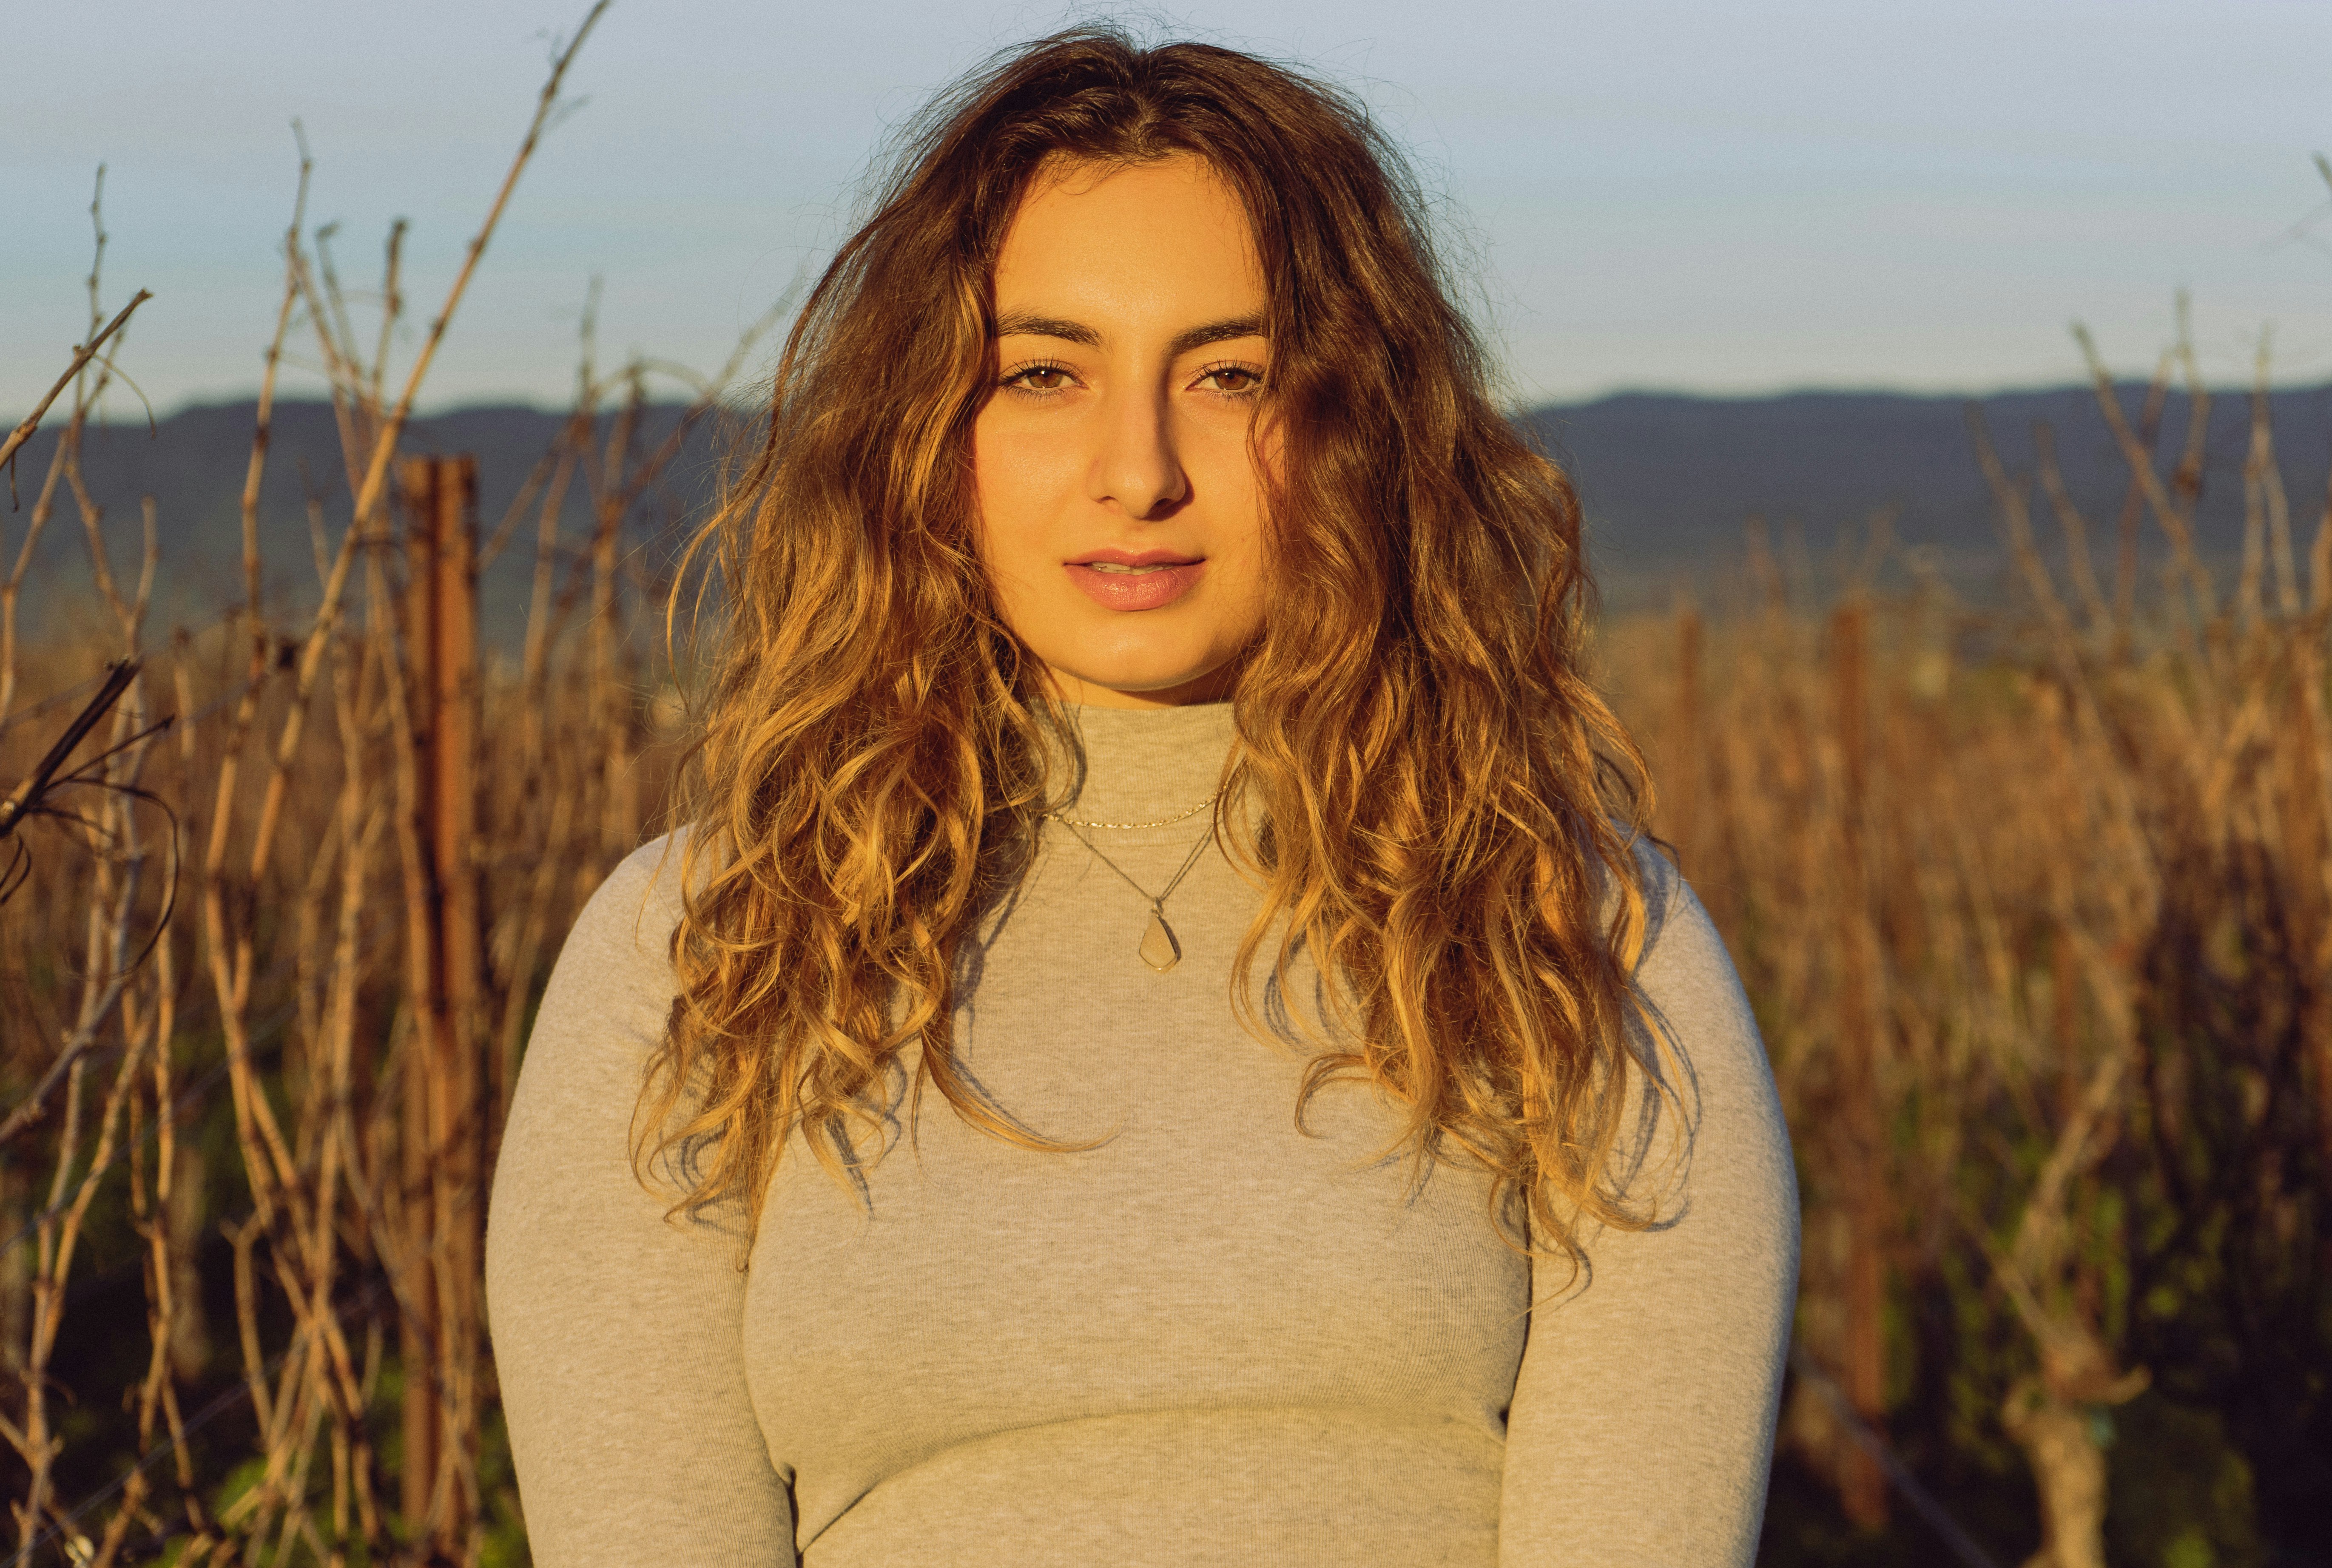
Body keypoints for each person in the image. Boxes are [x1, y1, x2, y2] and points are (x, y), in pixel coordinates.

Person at [485, 26, 1797, 1567]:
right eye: (1042, 373)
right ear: (925, 430)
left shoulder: (1574, 933)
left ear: (1356, 424)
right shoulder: (699, 947)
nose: (1137, 469)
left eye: (1231, 374)